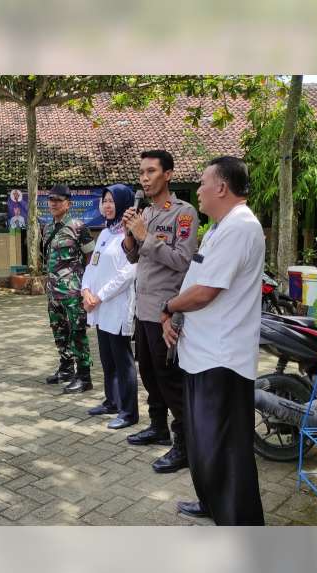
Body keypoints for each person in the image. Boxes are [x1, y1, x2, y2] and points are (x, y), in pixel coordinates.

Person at [162, 156, 265, 526]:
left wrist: (168, 306)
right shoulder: (222, 227)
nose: (199, 190)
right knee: (205, 444)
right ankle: (211, 503)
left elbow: (205, 292)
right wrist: (174, 316)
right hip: (202, 353)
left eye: (203, 183)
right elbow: (198, 282)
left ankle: (240, 524)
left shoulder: (241, 227)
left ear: (221, 187)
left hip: (222, 359)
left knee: (226, 448)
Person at [121, 149, 198, 474]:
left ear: (168, 174)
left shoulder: (183, 213)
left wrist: (144, 235)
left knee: (170, 380)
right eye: (141, 172)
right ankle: (157, 426)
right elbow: (134, 258)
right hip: (143, 309)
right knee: (149, 375)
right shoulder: (146, 213)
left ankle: (185, 445)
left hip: (166, 311)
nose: (145, 178)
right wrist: (129, 237)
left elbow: (182, 260)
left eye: (151, 171)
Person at [82, 185, 138, 428]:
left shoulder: (129, 235)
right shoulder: (105, 233)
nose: (107, 205)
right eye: (104, 200)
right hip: (99, 308)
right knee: (107, 358)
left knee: (122, 360)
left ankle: (129, 412)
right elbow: (91, 266)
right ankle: (112, 401)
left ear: (124, 204)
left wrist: (100, 296)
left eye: (112, 201)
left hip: (116, 306)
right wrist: (86, 291)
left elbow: (129, 273)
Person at [41, 184, 96, 394]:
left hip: (73, 292)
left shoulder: (78, 227)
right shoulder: (47, 228)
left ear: (68, 204)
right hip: (53, 291)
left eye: (58, 200)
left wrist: (86, 286)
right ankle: (66, 369)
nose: (53, 204)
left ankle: (84, 377)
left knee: (77, 333)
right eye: (51, 200)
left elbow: (91, 258)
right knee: (59, 332)